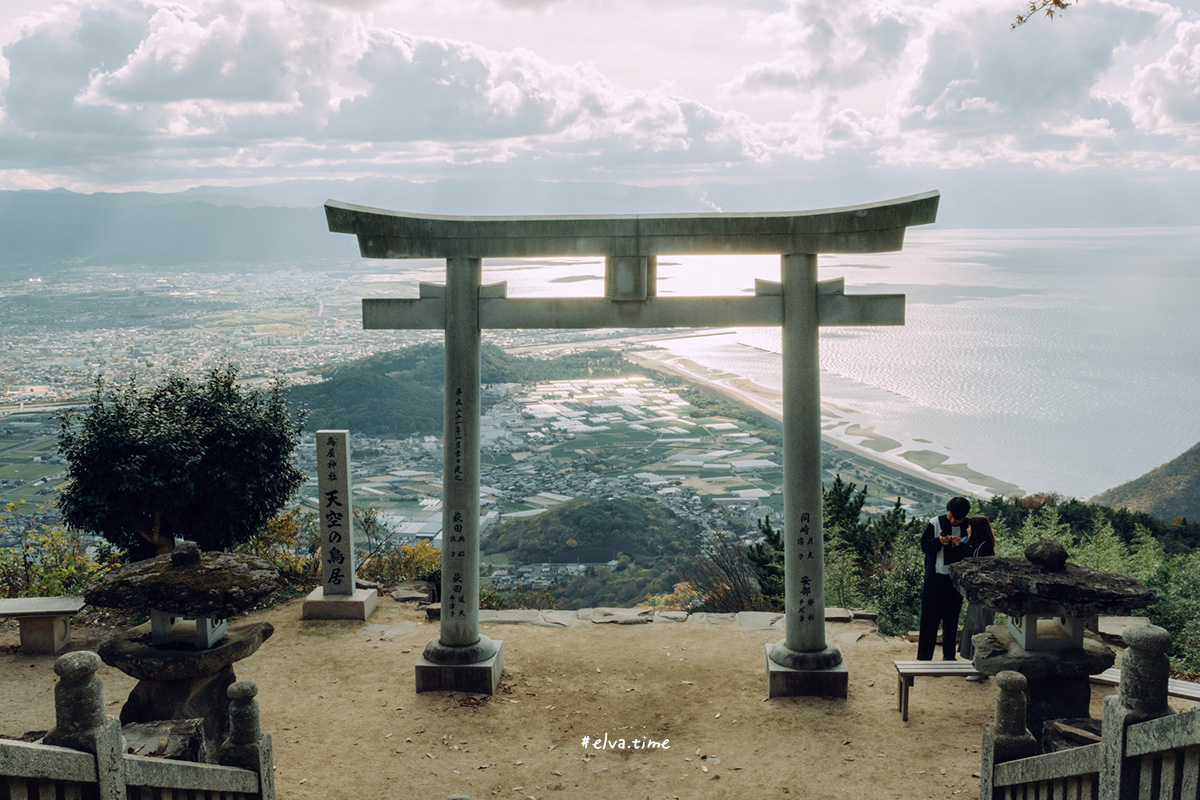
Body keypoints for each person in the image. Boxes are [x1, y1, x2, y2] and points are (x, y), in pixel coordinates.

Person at [917, 496, 971, 661]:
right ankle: (924, 658)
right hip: (934, 578)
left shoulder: (969, 527)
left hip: (955, 581)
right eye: (950, 516)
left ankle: (949, 657)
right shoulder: (935, 522)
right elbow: (925, 547)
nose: (953, 520)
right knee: (929, 619)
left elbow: (971, 553)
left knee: (952, 619)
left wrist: (958, 545)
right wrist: (939, 542)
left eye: (957, 518)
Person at [959, 515, 997, 679]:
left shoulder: (985, 548)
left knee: (980, 627)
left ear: (976, 529)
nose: (967, 529)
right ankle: (976, 665)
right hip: (978, 596)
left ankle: (980, 669)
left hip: (984, 596)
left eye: (969, 527)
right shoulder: (978, 546)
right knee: (974, 625)